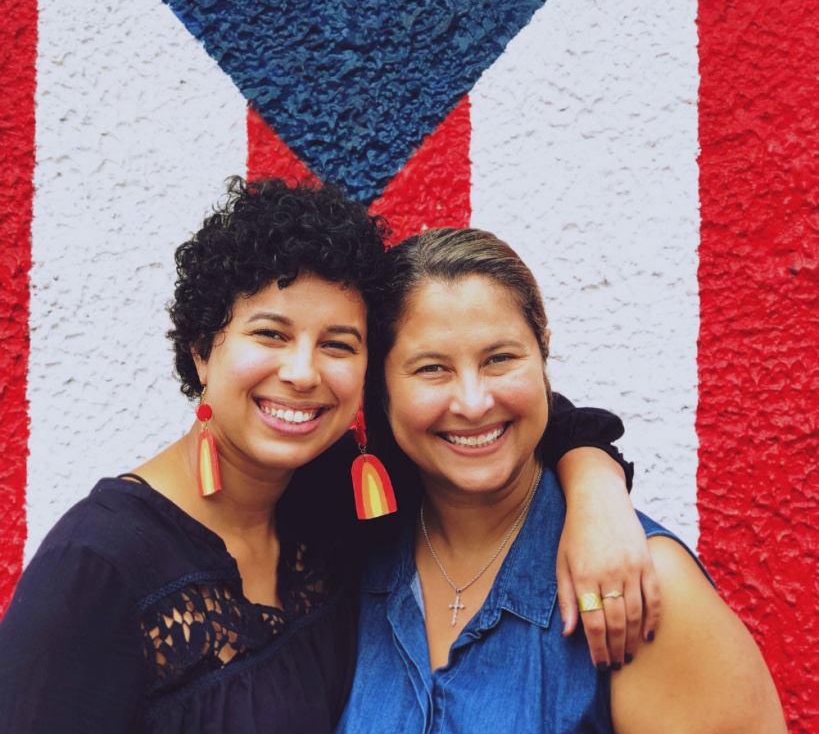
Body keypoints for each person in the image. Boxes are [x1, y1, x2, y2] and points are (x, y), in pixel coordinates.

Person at [0, 179, 655, 734]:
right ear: (203, 349)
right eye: (270, 334)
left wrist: (594, 490)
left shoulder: (340, 498)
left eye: (338, 344)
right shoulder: (97, 568)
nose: (303, 372)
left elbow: (502, 412)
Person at [337, 226, 787, 734]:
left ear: (543, 354)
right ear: (380, 386)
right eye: (432, 368)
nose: (473, 401)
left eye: (500, 359)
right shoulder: (348, 558)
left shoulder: (639, 584)